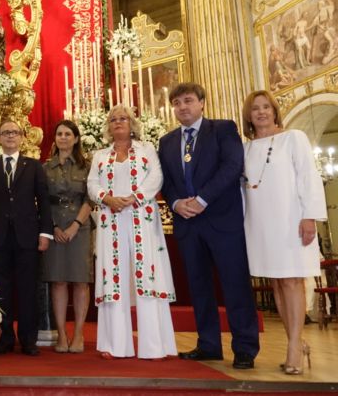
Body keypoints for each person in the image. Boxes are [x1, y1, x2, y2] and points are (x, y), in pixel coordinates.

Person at [158, 82, 260, 369]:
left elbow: (232, 166)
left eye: (188, 101)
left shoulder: (223, 129)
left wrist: (203, 199)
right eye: (177, 103)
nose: (182, 107)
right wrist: (177, 203)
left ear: (202, 103)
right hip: (187, 223)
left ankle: (244, 348)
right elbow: (165, 179)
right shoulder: (166, 142)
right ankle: (208, 344)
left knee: (234, 284)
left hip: (221, 220)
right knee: (199, 286)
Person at [241, 90, 326, 374]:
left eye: (266, 107)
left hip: (290, 219)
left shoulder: (294, 138)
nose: (262, 112)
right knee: (277, 282)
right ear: (248, 115)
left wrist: (310, 217)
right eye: (255, 109)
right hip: (260, 224)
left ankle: (293, 347)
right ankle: (296, 340)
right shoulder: (246, 148)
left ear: (275, 111)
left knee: (291, 281)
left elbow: (308, 178)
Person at [87, 106, 177, 359]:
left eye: (123, 118)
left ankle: (154, 345)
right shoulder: (100, 155)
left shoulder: (146, 149)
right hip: (110, 219)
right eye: (113, 119)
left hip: (142, 219)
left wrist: (135, 198)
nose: (118, 122)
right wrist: (107, 198)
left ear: (132, 123)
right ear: (108, 126)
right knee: (113, 276)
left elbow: (156, 177)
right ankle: (115, 344)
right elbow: (92, 183)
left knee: (146, 275)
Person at [0, 119, 53, 356]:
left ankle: (28, 340)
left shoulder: (34, 166)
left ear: (22, 138)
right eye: (5, 133)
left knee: (28, 289)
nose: (10, 136)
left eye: (15, 132)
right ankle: (6, 338)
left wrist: (45, 232)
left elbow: (44, 201)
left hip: (27, 237)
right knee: (2, 290)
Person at [41, 120, 94, 353]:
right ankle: (62, 334)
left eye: (67, 134)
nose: (63, 137)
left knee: (80, 280)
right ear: (55, 138)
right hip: (54, 227)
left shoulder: (88, 166)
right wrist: (52, 227)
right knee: (58, 280)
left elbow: (91, 199)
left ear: (75, 138)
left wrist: (75, 225)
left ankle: (79, 334)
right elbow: (41, 201)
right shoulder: (45, 168)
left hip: (79, 227)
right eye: (59, 133)